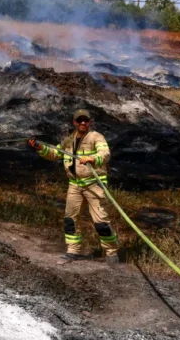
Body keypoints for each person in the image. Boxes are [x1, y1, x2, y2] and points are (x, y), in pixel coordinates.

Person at [28, 109, 120, 264]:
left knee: (101, 221)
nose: (83, 123)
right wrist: (39, 148)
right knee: (70, 219)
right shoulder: (68, 140)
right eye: (79, 120)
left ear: (90, 122)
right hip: (74, 186)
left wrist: (92, 158)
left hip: (94, 185)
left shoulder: (96, 137)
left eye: (85, 120)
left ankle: (111, 253)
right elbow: (55, 153)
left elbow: (105, 153)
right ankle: (73, 251)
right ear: (74, 122)